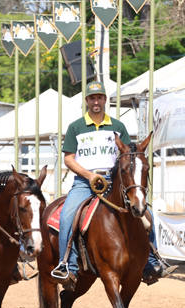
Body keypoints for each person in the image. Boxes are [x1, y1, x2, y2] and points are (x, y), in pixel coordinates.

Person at [51, 80, 171, 290]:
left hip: (113, 183)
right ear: (87, 101)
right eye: (92, 98)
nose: (96, 101)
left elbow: (127, 154)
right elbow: (68, 158)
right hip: (84, 183)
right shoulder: (76, 127)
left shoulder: (118, 126)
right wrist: (88, 175)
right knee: (67, 215)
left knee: (147, 214)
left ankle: (151, 261)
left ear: (105, 100)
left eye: (99, 97)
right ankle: (66, 265)